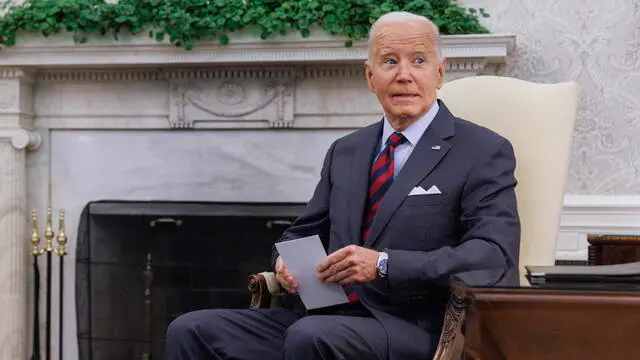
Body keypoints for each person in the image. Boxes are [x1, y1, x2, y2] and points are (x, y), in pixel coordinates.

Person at [166, 10, 520, 360]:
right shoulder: (346, 151)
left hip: (415, 324)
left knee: (312, 337)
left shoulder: (483, 150)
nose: (404, 75)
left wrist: (382, 264)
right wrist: (285, 263)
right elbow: (302, 232)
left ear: (440, 72)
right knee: (192, 330)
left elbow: (492, 256)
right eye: (389, 61)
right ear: (370, 76)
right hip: (324, 315)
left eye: (418, 60)